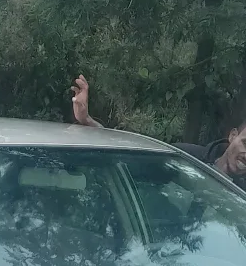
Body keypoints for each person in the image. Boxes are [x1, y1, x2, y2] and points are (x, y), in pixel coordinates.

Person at [71, 74, 246, 191]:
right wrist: (87, 121)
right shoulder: (188, 158)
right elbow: (131, 161)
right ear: (232, 135)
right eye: (245, 143)